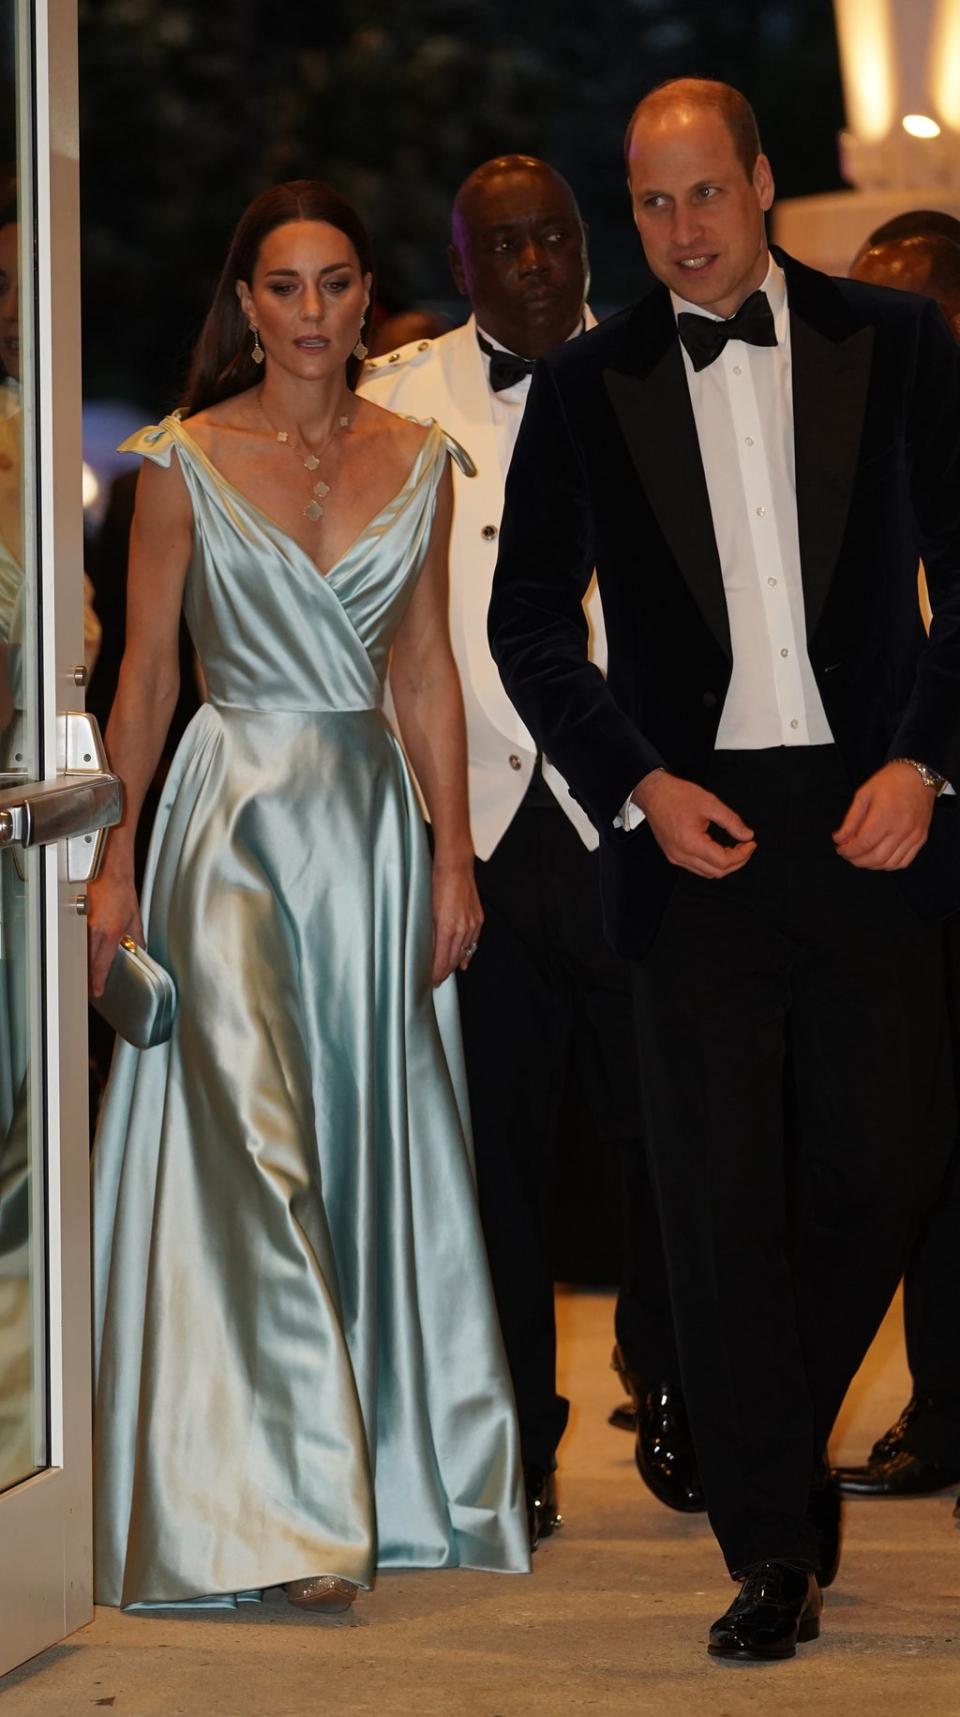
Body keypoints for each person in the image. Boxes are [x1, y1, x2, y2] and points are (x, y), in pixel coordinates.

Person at [488, 78, 960, 1661]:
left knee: (885, 1164)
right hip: (688, 831)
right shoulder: (585, 385)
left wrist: (923, 759)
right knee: (711, 1203)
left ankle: (754, 1416)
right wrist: (634, 784)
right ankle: (770, 1542)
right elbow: (530, 623)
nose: (681, 232)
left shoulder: (893, 345)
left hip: (868, 810)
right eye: (652, 204)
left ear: (762, 184)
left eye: (705, 194)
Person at [88, 179, 530, 1613]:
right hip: (226, 828)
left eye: (336, 282)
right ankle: (280, 1513)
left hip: (370, 835)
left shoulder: (423, 455)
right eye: (284, 286)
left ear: (363, 291)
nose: (315, 313)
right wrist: (110, 858)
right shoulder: (179, 462)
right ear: (245, 305)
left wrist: (455, 856)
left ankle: (379, 1478)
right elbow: (146, 677)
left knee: (356, 1147)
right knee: (259, 1152)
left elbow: (422, 673)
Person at [359, 154, 696, 1544]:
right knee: (494, 1150)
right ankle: (520, 1438)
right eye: (506, 242)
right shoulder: (396, 400)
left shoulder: (667, 364)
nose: (538, 260)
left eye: (555, 234)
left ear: (583, 239)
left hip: (639, 811)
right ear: (465, 260)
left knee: (672, 1128)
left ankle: (677, 1381)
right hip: (475, 825)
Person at [831, 217, 960, 1502]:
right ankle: (944, 1406)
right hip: (896, 842)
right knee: (914, 1134)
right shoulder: (857, 455)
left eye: (907, 306)